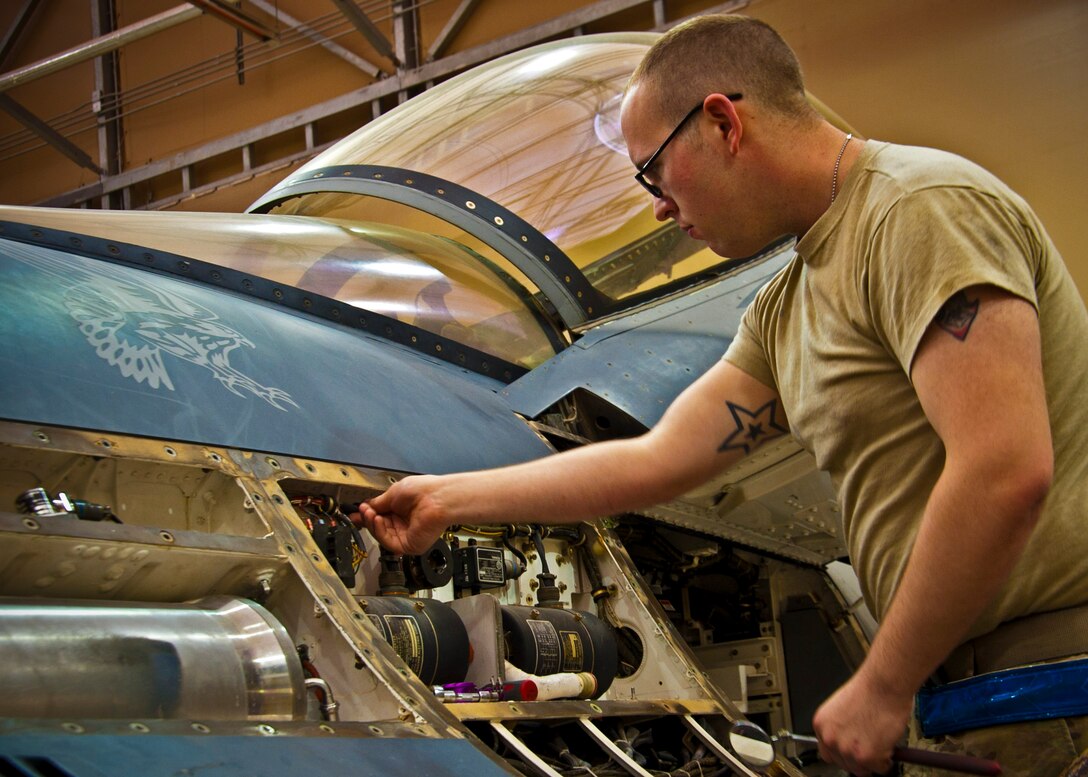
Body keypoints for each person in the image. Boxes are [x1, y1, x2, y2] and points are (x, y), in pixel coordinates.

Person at [358, 14, 1088, 776]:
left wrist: (880, 682)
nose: (659, 208)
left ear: (721, 122)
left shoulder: (917, 211)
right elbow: (656, 461)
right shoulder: (788, 307)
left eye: (654, 173)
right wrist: (447, 497)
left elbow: (1004, 469)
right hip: (966, 701)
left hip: (1050, 689)